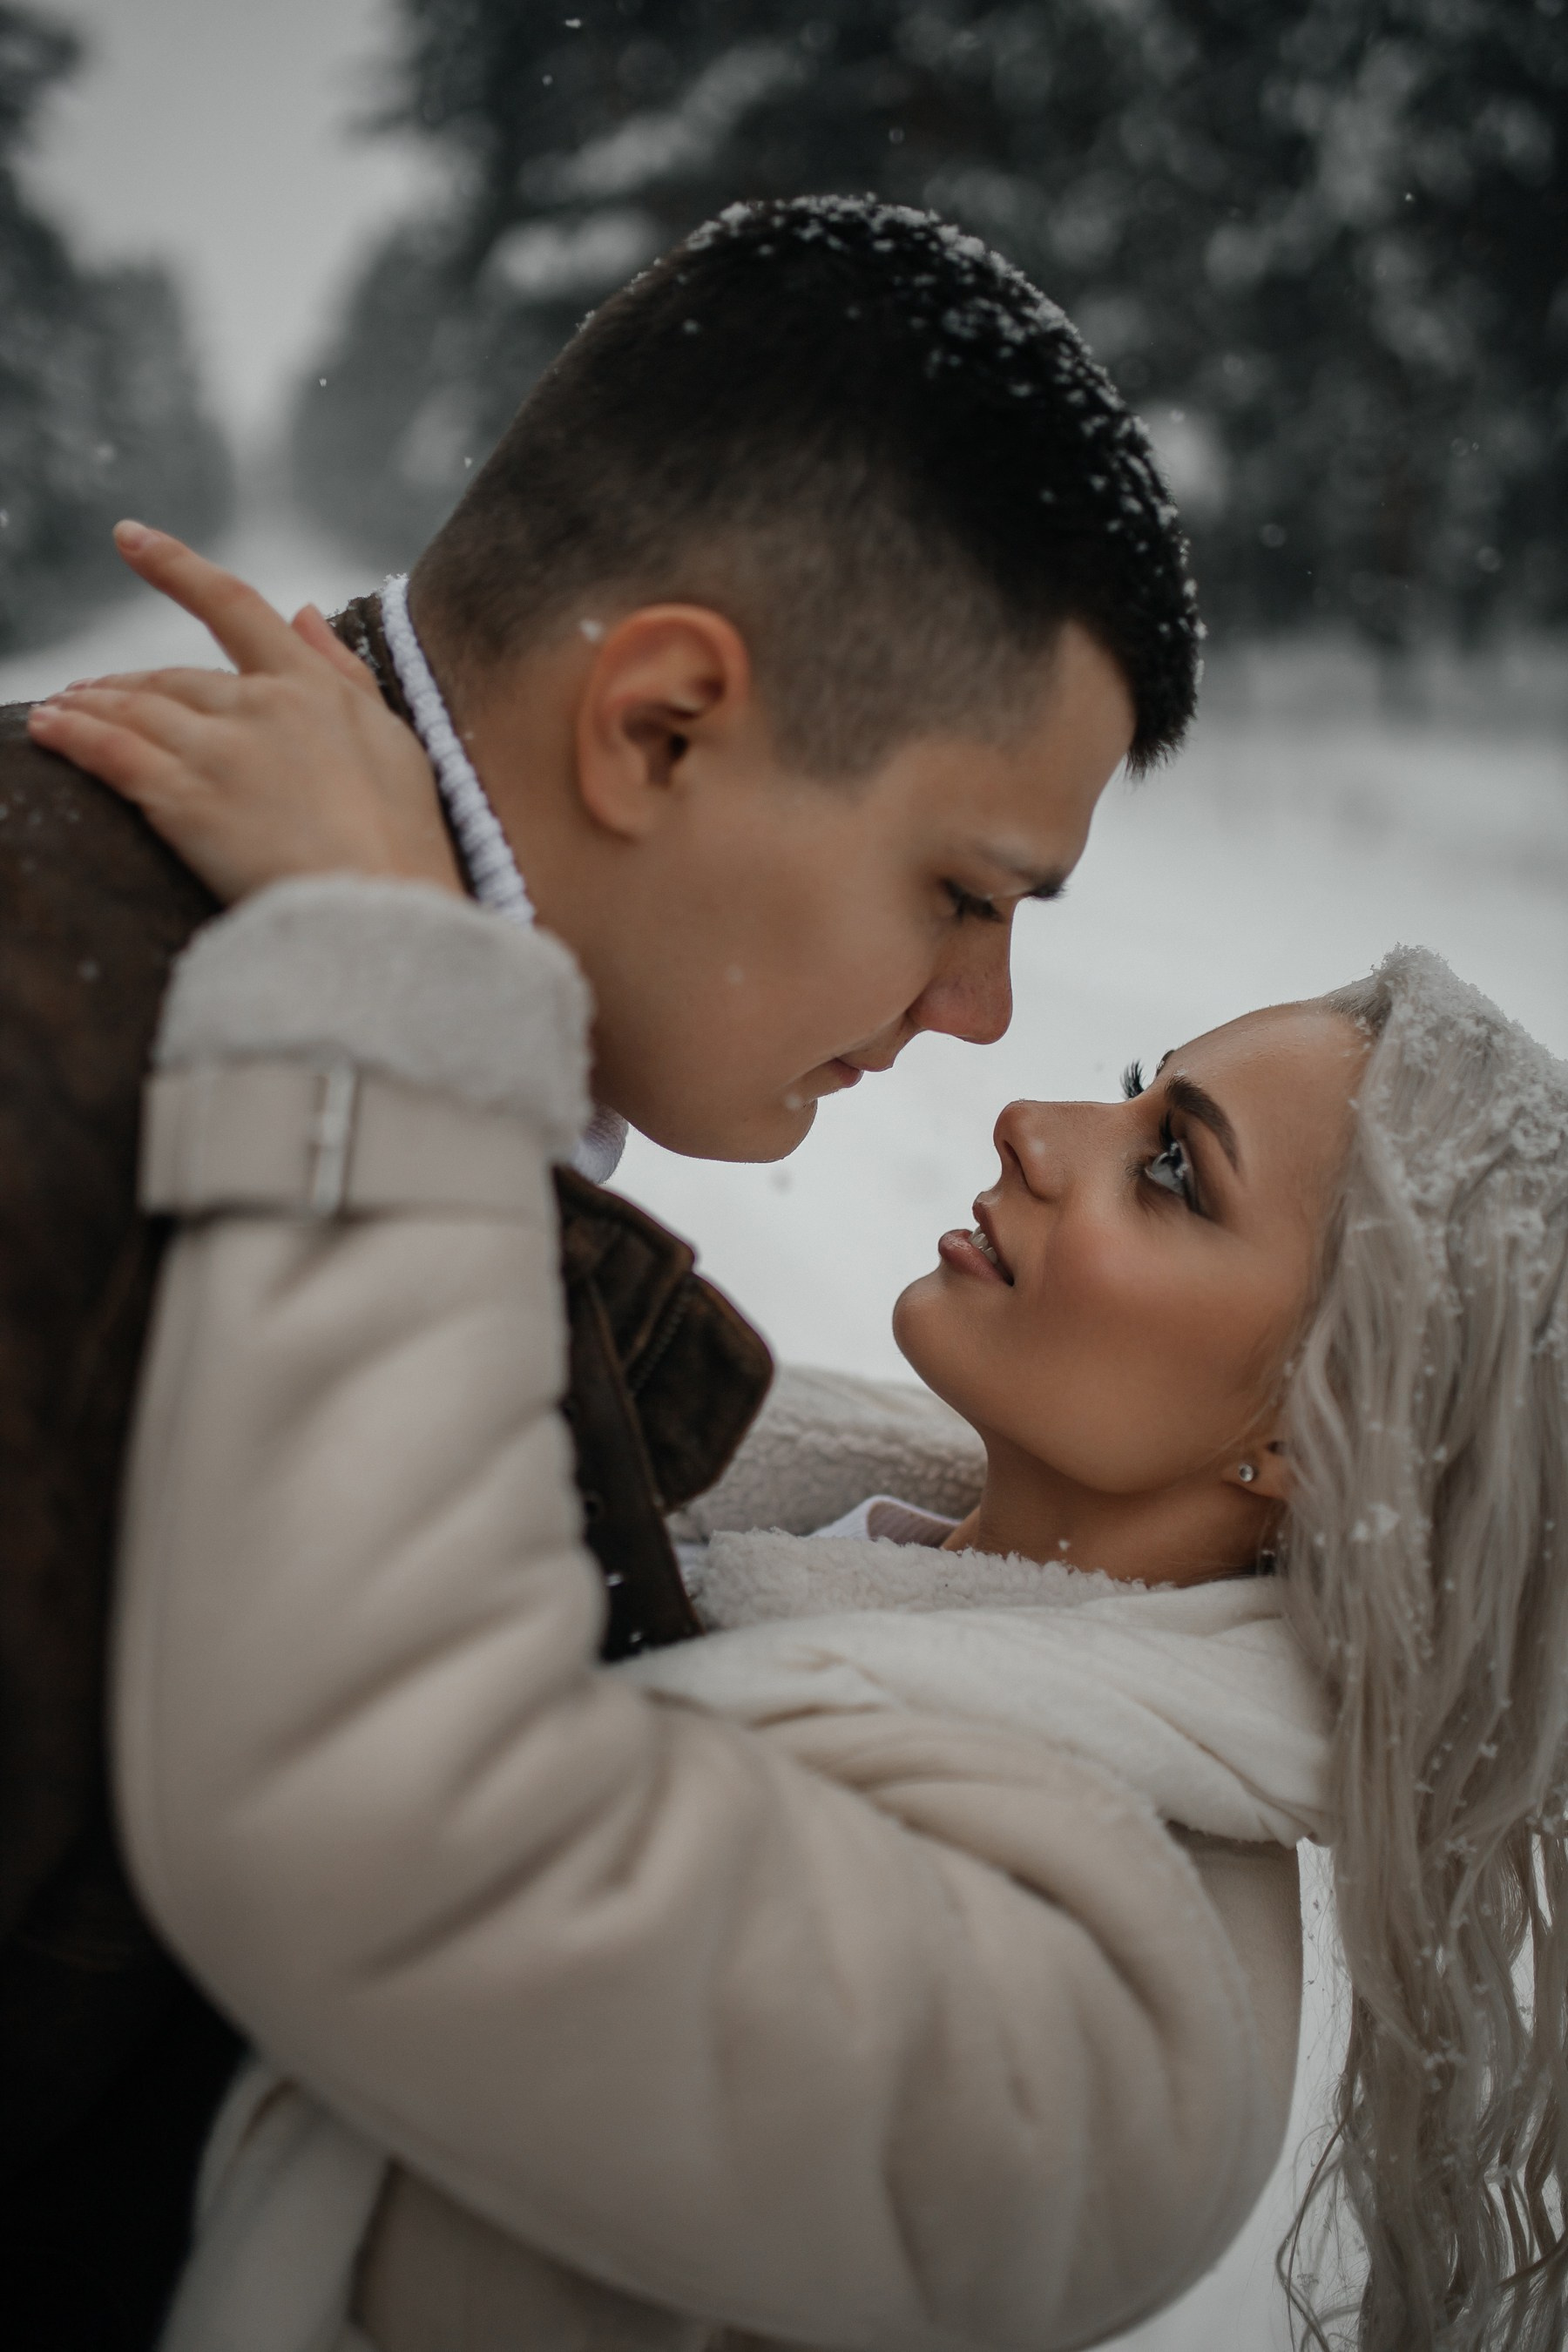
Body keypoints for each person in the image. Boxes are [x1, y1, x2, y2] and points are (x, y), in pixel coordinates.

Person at [7, 196, 1193, 2348]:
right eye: (961, 889)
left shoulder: (239, 996)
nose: (987, 1017)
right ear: (658, 727)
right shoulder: (83, 1051)